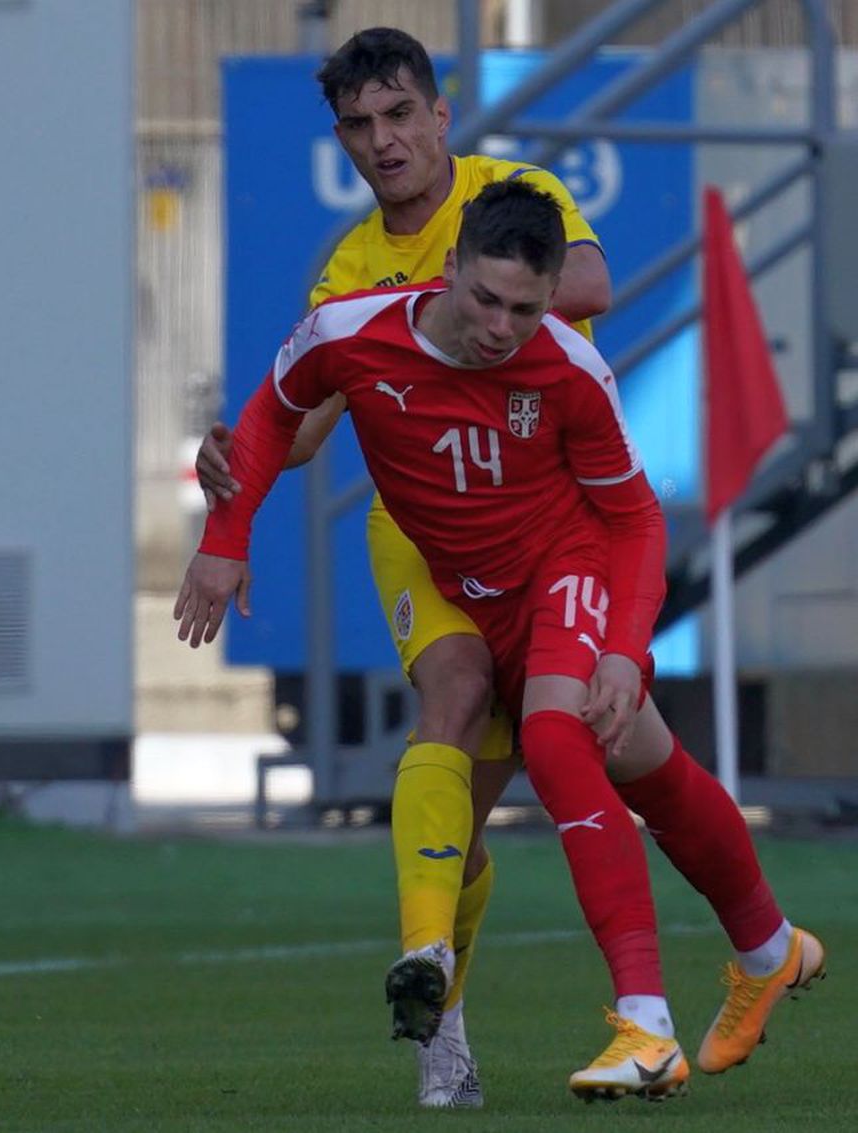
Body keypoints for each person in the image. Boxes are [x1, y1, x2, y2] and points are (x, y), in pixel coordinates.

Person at [175, 179, 825, 1103]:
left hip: (561, 569)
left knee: (563, 741)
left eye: (525, 308)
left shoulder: (564, 366)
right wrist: (222, 543)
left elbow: (635, 517)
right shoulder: (352, 332)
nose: (499, 326)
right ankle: (770, 946)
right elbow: (277, 410)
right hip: (456, 584)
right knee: (644, 762)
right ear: (447, 271)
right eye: (484, 299)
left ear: (550, 295)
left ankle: (647, 1026)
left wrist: (622, 652)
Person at [194, 27, 610, 1109]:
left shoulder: (510, 195)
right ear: (344, 139)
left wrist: (454, 305)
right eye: (359, 127)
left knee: (469, 815)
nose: (383, 142)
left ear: (439, 114)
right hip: (423, 529)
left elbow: (592, 280)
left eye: (398, 116)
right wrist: (232, 467)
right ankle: (436, 1008)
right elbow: (306, 421)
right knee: (454, 691)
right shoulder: (347, 267)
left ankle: (460, 987)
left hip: (534, 522)